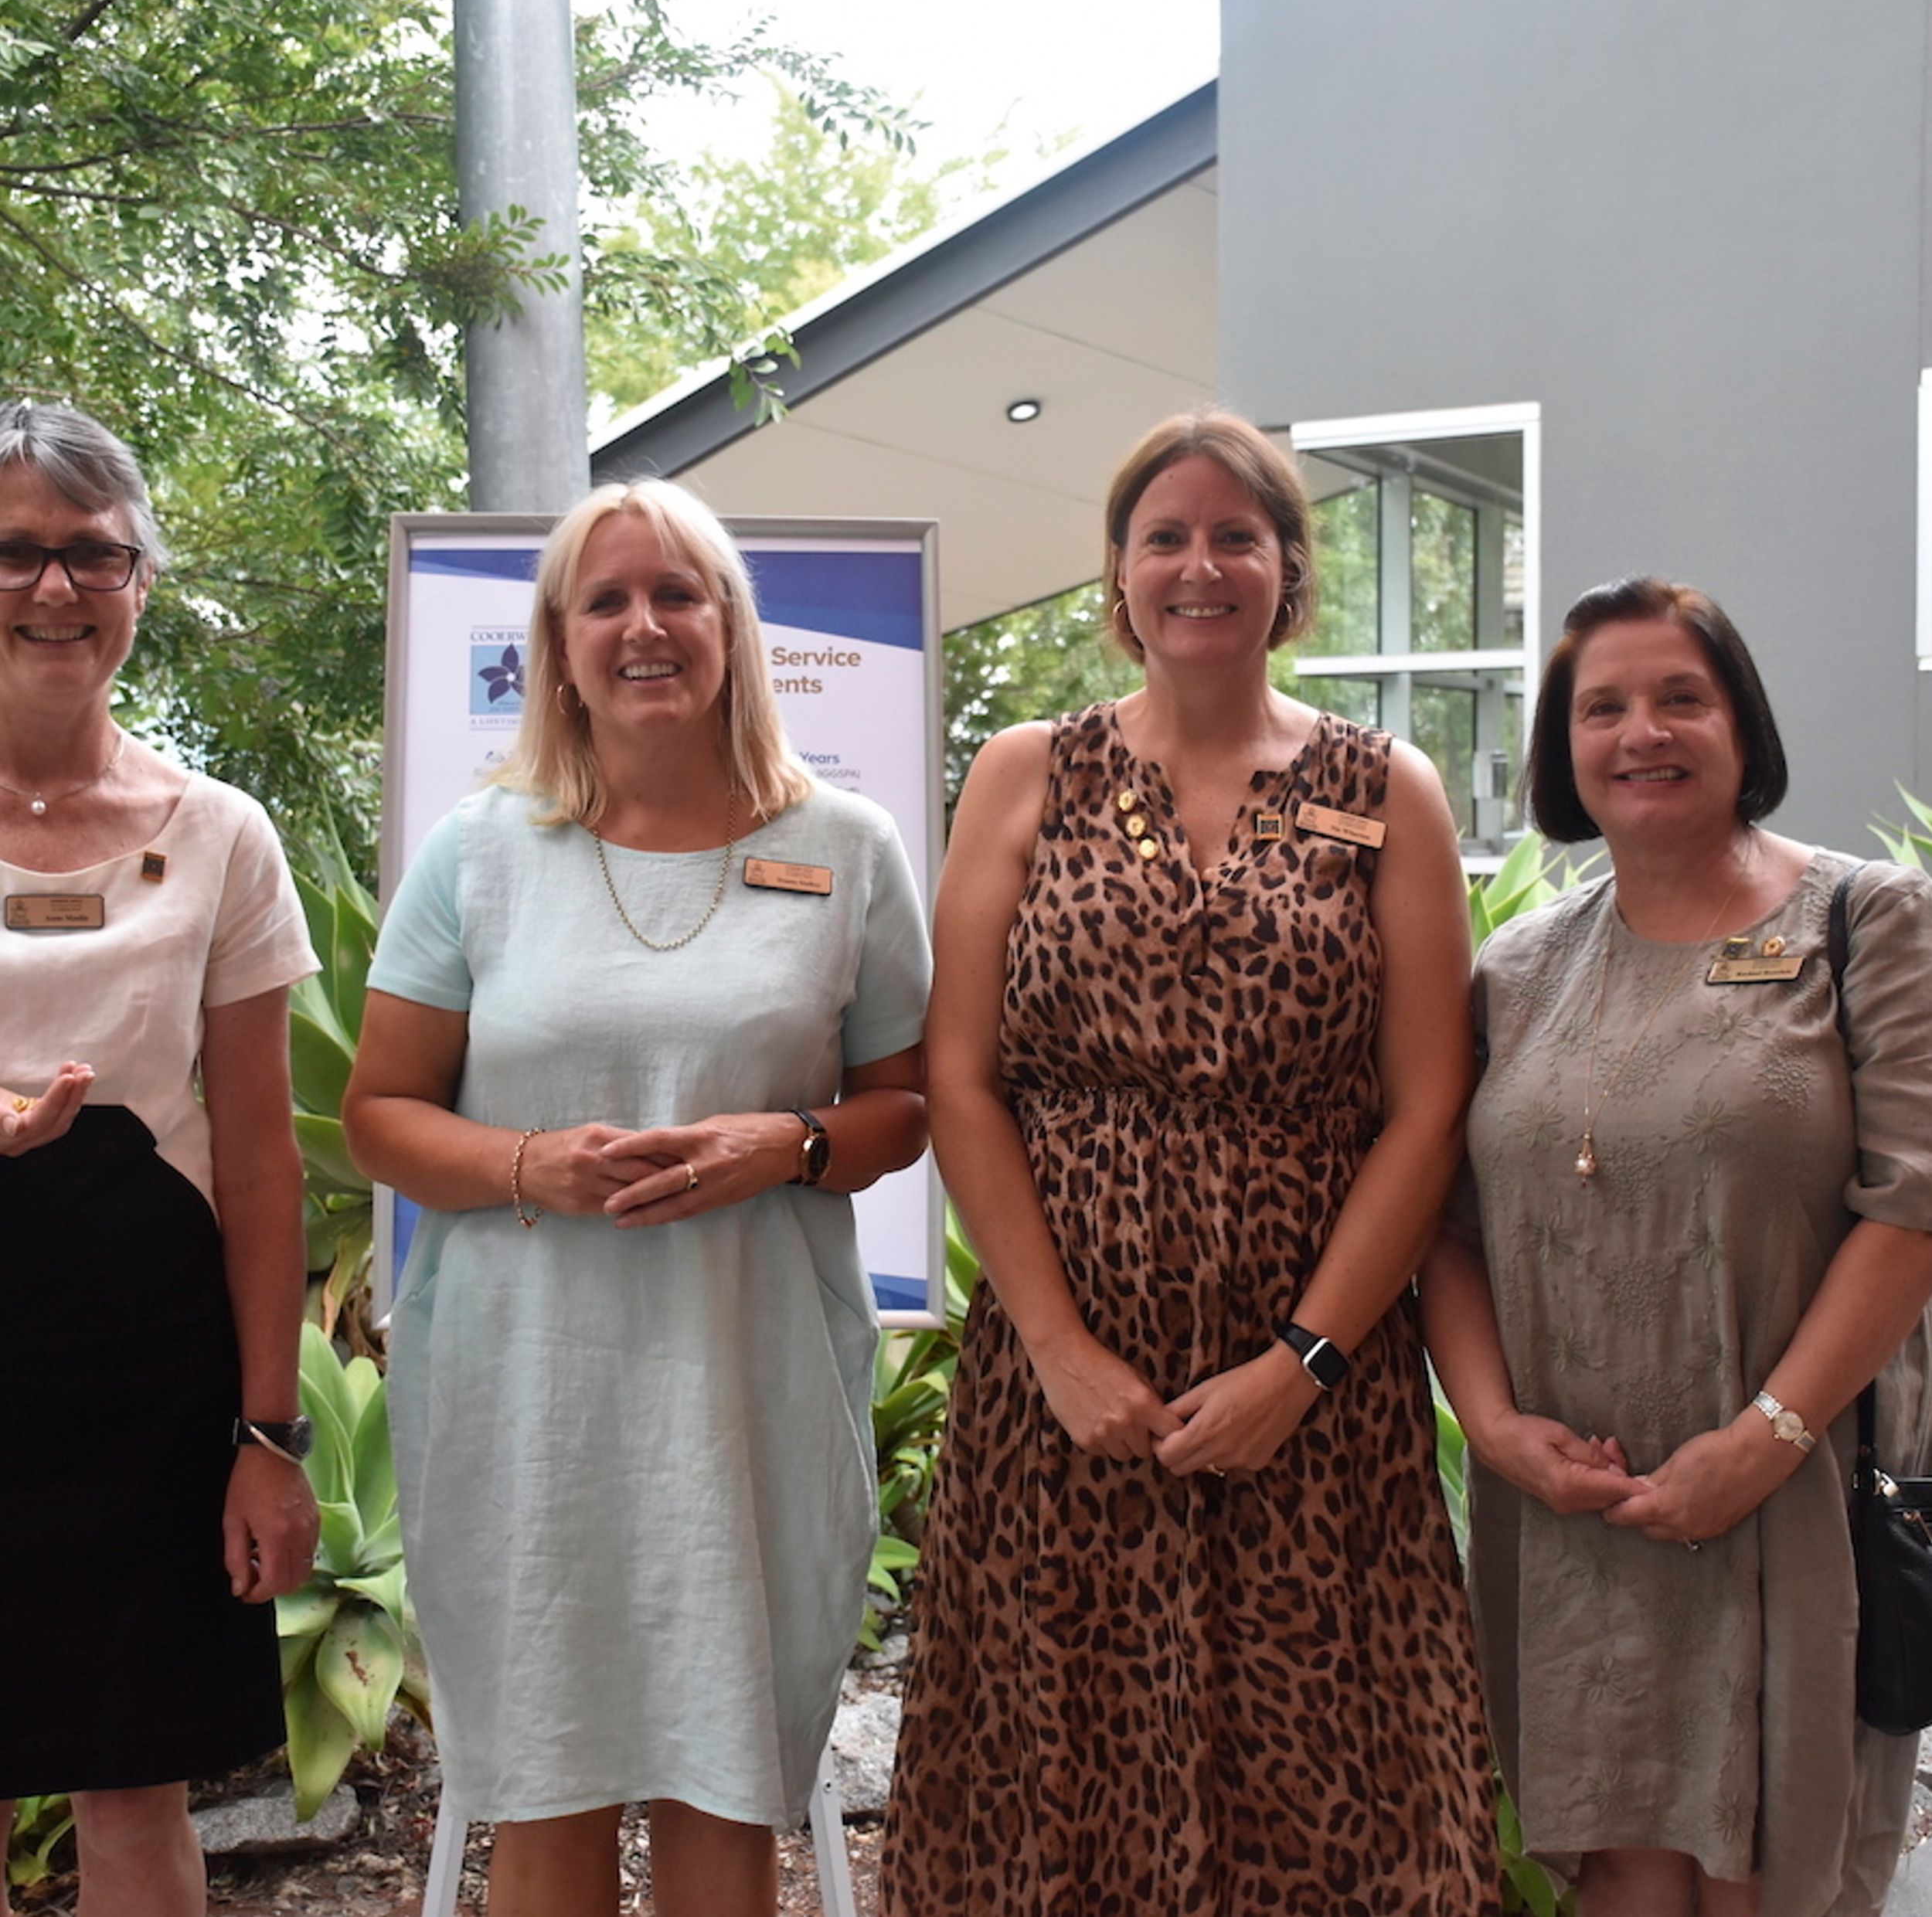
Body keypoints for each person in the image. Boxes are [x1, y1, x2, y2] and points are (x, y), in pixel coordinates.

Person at [882, 410, 1501, 1912]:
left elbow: (1426, 1107)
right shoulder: (1024, 774)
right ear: (1119, 572)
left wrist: (1304, 1361)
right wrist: (1057, 1350)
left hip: (1315, 1410)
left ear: (1289, 571)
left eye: (1236, 535)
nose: (1199, 565)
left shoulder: (1387, 788)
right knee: (1049, 1793)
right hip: (1067, 1405)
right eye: (1164, 536)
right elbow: (959, 1079)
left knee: (1332, 1798)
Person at [341, 478, 930, 1917]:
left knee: (725, 1782)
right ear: (557, 644)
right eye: (604, 600)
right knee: (547, 1780)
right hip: (528, 1395)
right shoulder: (479, 850)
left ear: (733, 627)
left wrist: (787, 1143)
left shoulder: (848, 845)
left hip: (751, 1387)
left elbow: (907, 1110)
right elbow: (379, 1116)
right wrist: (528, 1165)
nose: (644, 626)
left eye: (678, 594)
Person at [1421, 576, 1932, 1916]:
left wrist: (1760, 1442)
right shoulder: (1517, 969)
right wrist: (1496, 1431)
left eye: (1680, 698)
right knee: (1619, 1884)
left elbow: (1914, 1208)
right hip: (1579, 1518)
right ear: (1563, 750)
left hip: (1788, 1496)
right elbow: (1448, 1231)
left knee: (1771, 1879)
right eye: (1602, 708)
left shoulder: (1867, 921)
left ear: (1742, 725)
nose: (1641, 731)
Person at [0, 400, 320, 1917]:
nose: (54, 587)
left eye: (93, 553)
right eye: (13, 551)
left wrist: (270, 1435)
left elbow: (262, 1161)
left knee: (133, 1777)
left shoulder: (220, 834)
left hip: (147, 1371)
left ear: (141, 580)